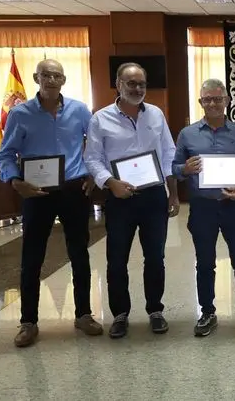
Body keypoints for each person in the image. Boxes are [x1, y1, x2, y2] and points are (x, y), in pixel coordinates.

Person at [0, 59, 102, 347]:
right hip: (36, 192)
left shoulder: (79, 110)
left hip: (73, 189)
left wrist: (93, 174)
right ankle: (28, 322)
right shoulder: (20, 114)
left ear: (64, 80)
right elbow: (5, 154)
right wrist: (15, 181)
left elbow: (94, 147)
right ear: (36, 78)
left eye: (57, 75)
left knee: (79, 254)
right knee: (32, 257)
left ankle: (83, 315)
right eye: (46, 75)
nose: (51, 79)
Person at [83, 62, 180, 339]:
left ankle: (155, 310)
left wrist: (172, 193)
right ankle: (121, 314)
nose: (137, 89)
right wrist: (110, 183)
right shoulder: (100, 119)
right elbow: (92, 158)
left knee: (155, 258)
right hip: (119, 197)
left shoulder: (156, 115)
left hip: (152, 197)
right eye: (131, 83)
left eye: (141, 84)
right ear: (118, 84)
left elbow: (168, 154)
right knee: (116, 260)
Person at [172, 79, 235, 337]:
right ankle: (207, 312)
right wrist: (185, 169)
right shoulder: (187, 134)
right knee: (204, 262)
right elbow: (174, 168)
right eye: (207, 99)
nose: (212, 103)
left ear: (227, 101)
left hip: (233, 207)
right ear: (200, 102)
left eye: (217, 99)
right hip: (202, 208)